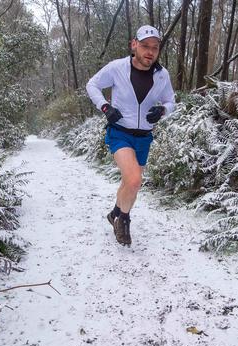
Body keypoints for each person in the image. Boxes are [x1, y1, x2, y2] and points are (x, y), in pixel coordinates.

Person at [86, 25, 175, 246]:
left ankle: (115, 210)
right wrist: (105, 107)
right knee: (135, 180)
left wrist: (163, 110)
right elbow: (93, 84)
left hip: (144, 136)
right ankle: (123, 220)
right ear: (134, 45)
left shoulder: (162, 75)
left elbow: (170, 101)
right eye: (145, 46)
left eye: (155, 47)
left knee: (130, 181)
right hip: (120, 133)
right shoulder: (117, 68)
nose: (150, 52)